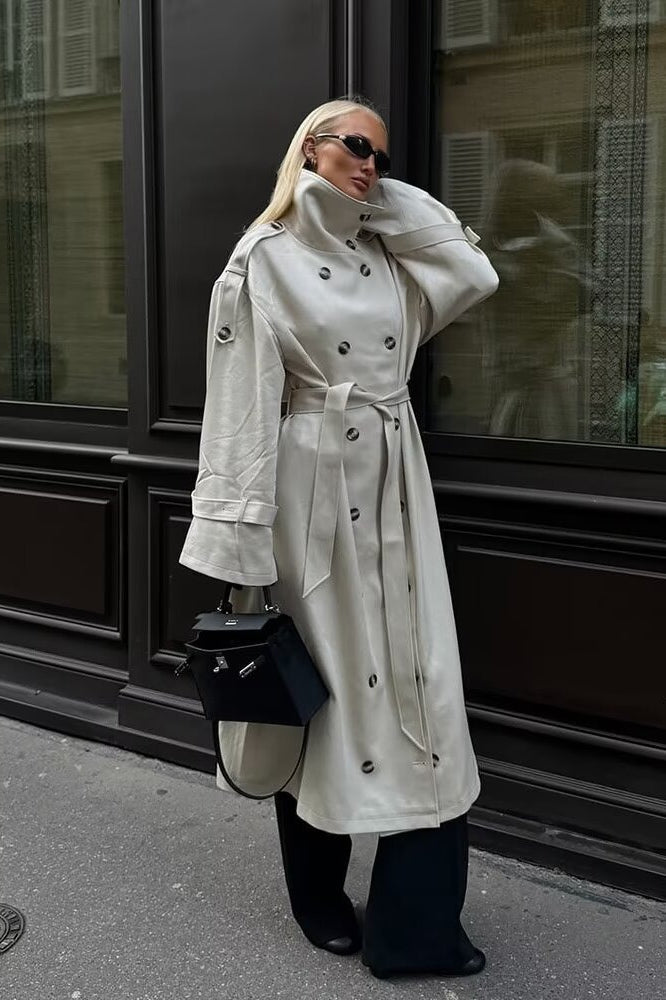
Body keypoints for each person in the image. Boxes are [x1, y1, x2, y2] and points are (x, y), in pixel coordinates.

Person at [179, 96, 499, 979]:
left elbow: (472, 275)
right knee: (321, 702)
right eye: (356, 147)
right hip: (310, 499)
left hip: (396, 486)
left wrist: (375, 198)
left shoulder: (385, 253)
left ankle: (414, 925)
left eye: (382, 158)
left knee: (421, 688)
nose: (370, 166)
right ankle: (316, 893)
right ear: (308, 149)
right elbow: (238, 413)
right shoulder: (260, 260)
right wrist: (242, 556)